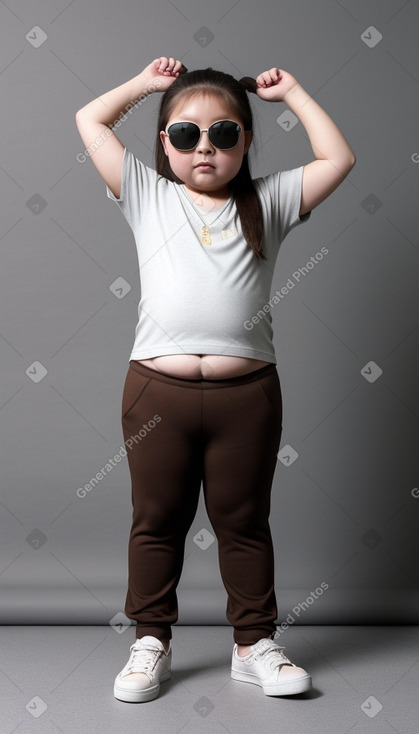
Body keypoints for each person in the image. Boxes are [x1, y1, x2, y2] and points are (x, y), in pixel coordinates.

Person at [75, 55, 355, 703]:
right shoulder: (147, 194)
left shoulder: (272, 200)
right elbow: (89, 119)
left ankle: (253, 644)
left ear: (245, 141)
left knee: (244, 520)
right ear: (165, 143)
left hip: (247, 398)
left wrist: (296, 93)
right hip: (156, 394)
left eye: (224, 133)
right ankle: (151, 641)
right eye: (185, 134)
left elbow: (336, 160)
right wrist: (147, 86)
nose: (205, 147)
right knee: (156, 519)